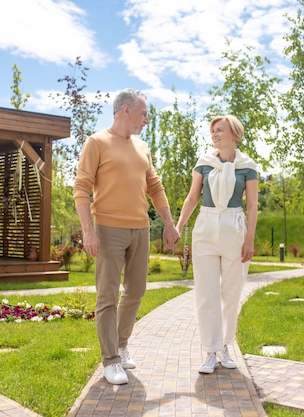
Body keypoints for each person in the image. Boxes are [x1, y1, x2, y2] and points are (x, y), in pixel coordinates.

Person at [73, 88, 180, 385]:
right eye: (144, 113)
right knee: (107, 295)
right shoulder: (96, 143)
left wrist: (169, 224)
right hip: (108, 228)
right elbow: (81, 188)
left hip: (140, 228)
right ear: (126, 111)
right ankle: (110, 360)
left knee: (136, 291)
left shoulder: (142, 146)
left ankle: (121, 345)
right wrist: (88, 230)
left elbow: (155, 187)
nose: (146, 120)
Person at [176, 115, 258, 374]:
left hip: (234, 227)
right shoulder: (204, 164)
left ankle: (225, 346)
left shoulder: (247, 166)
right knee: (206, 293)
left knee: (231, 293)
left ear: (234, 134)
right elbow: (192, 199)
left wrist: (250, 239)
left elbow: (253, 206)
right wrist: (178, 227)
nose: (214, 134)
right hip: (206, 228)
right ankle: (210, 351)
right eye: (212, 130)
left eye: (219, 130)